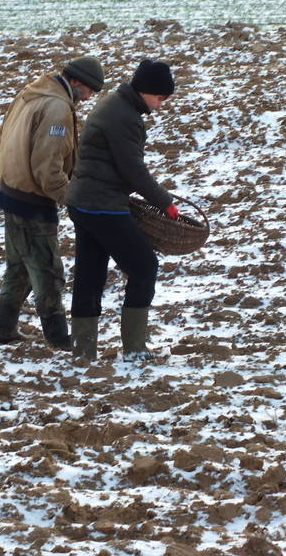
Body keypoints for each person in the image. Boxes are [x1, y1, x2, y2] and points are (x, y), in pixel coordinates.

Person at [65, 59, 179, 361]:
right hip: (103, 206)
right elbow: (134, 171)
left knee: (90, 273)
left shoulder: (115, 104)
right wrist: (165, 203)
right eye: (161, 97)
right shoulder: (125, 117)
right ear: (147, 91)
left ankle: (83, 350)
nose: (161, 104)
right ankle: (135, 349)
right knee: (144, 267)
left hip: (83, 202)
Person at [0, 56, 105, 349]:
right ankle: (58, 338)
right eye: (89, 90)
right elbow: (48, 169)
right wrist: (72, 199)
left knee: (18, 267)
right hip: (32, 201)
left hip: (11, 191)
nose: (89, 97)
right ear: (76, 82)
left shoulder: (32, 93)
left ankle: (3, 329)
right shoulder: (57, 108)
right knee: (49, 271)